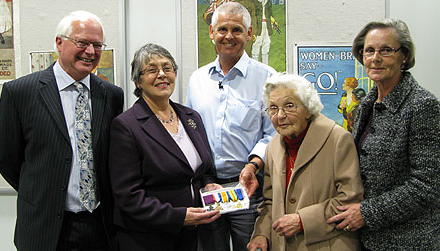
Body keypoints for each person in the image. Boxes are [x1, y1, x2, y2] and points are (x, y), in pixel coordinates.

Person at [0, 10, 124, 250]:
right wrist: (43, 189)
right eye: (82, 43)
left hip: (100, 226)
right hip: (44, 227)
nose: (91, 52)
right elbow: (4, 156)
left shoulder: (112, 95)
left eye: (97, 45)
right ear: (59, 43)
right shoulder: (20, 93)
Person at [326, 19, 440, 250]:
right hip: (369, 238)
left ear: (404, 56)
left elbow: (427, 184)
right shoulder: (366, 105)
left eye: (386, 50)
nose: (375, 58)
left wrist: (367, 213)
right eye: (369, 50)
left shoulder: (423, 106)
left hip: (409, 241)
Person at [108, 43, 221, 251]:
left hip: (195, 234)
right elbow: (128, 196)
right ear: (137, 81)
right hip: (149, 238)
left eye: (167, 68)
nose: (162, 74)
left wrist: (209, 184)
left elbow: (203, 170)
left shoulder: (190, 117)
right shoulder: (126, 126)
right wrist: (178, 217)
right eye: (152, 70)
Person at [186, 2, 277, 250]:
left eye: (237, 30)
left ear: (249, 34)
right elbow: (189, 133)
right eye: (222, 29)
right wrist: (203, 179)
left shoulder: (268, 77)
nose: (228, 36)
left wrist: (253, 164)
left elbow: (273, 134)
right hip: (207, 189)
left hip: (247, 189)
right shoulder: (197, 80)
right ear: (211, 33)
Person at [246, 73, 364, 251]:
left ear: (308, 108)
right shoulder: (272, 147)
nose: (280, 115)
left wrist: (303, 220)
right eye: (273, 108)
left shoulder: (338, 139)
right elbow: (270, 202)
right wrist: (261, 233)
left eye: (289, 106)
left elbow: (350, 201)